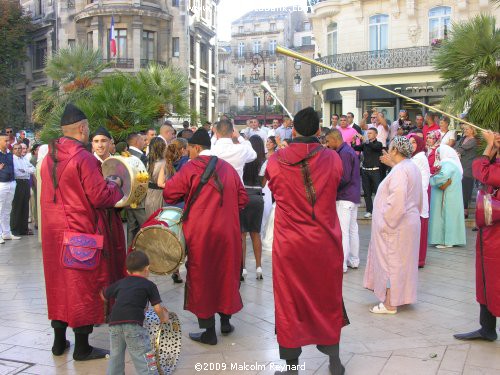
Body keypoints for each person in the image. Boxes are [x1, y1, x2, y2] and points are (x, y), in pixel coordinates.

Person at [40, 103, 125, 360]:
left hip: (53, 233)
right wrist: (116, 184)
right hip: (79, 231)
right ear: (81, 128)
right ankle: (83, 347)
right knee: (83, 287)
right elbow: (99, 196)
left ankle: (58, 343)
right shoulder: (83, 158)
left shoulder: (48, 156)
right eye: (87, 129)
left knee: (58, 286)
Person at [265, 107, 345, 375]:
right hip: (324, 241)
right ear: (319, 132)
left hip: (290, 243)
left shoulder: (276, 161)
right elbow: (335, 183)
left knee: (289, 302)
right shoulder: (333, 159)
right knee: (327, 298)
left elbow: (275, 190)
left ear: (293, 130)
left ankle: (291, 367)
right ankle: (334, 362)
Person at [163, 129, 248, 345]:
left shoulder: (191, 167)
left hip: (202, 233)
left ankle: (209, 331)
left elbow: (170, 194)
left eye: (189, 148)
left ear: (197, 148)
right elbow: (242, 198)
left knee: (202, 277)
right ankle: (226, 323)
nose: (187, 152)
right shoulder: (228, 168)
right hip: (228, 233)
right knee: (227, 273)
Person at [363, 136, 422, 314]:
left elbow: (397, 201)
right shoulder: (411, 167)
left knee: (391, 262)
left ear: (395, 150)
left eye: (390, 148)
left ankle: (390, 303)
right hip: (409, 222)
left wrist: (386, 222)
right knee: (402, 263)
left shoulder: (400, 171)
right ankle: (399, 297)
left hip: (396, 225)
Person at [454, 130, 500, 343]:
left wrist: (489, 145)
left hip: (497, 235)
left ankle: (488, 328)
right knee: (486, 279)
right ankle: (487, 328)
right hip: (490, 233)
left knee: (494, 280)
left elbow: (481, 172)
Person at [104, 251, 169, 375]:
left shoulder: (121, 282)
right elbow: (157, 308)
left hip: (114, 323)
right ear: (147, 269)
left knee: (115, 356)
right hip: (133, 324)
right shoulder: (149, 285)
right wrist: (163, 318)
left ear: (128, 271)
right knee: (142, 355)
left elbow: (105, 294)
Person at [325, 129, 361, 273]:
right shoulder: (348, 150)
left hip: (345, 196)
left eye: (328, 141)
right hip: (352, 196)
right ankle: (354, 260)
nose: (327, 144)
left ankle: (342, 264)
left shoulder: (344, 153)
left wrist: (329, 186)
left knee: (344, 231)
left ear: (335, 139)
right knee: (352, 230)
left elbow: (343, 177)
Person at [428, 145, 466, 248]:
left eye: (439, 154)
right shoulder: (453, 164)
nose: (438, 156)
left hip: (447, 196)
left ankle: (446, 241)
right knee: (451, 216)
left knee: (446, 216)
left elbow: (443, 176)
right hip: (452, 195)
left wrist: (431, 179)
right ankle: (450, 240)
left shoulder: (447, 163)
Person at [241, 135, 266, 280]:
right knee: (256, 233)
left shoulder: (243, 160)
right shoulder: (264, 162)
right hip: (257, 197)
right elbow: (263, 184)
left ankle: (243, 268)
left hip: (243, 196)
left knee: (242, 234)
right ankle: (258, 267)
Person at [408, 134, 431, 268]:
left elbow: (420, 182)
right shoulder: (416, 157)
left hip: (418, 199)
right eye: (410, 142)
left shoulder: (418, 158)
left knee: (419, 231)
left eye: (414, 143)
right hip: (417, 198)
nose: (411, 145)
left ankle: (418, 259)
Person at [353, 128, 383, 218]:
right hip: (365, 170)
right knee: (367, 193)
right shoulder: (365, 144)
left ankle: (379, 210)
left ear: (376, 134)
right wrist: (354, 141)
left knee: (378, 191)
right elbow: (355, 148)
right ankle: (369, 210)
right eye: (368, 133)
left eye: (370, 133)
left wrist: (365, 140)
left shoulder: (379, 144)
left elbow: (374, 147)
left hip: (375, 171)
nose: (368, 134)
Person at [11, 143, 35, 236]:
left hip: (25, 182)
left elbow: (33, 169)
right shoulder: (12, 159)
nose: (18, 150)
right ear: (13, 150)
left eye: (19, 148)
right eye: (16, 148)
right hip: (18, 182)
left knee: (25, 206)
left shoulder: (24, 159)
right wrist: (25, 170)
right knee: (17, 206)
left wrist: (24, 170)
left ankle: (24, 229)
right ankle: (15, 229)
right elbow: (17, 171)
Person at [454, 124, 478, 218]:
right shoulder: (462, 139)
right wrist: (456, 151)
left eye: (468, 129)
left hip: (468, 168)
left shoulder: (473, 141)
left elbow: (462, 149)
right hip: (459, 166)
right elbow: (457, 146)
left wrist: (456, 152)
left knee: (466, 189)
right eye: (464, 129)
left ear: (472, 130)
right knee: (459, 189)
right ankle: (459, 209)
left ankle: (465, 210)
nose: (466, 130)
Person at [0, 130, 19, 244]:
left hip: (11, 182)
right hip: (1, 184)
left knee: (8, 209)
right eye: (5, 140)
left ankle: (7, 233)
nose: (8, 142)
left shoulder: (8, 153)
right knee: (0, 209)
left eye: (8, 140)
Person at [144, 137, 167, 218]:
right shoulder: (164, 162)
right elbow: (161, 183)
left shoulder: (148, 160)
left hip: (149, 194)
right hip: (159, 195)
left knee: (150, 221)